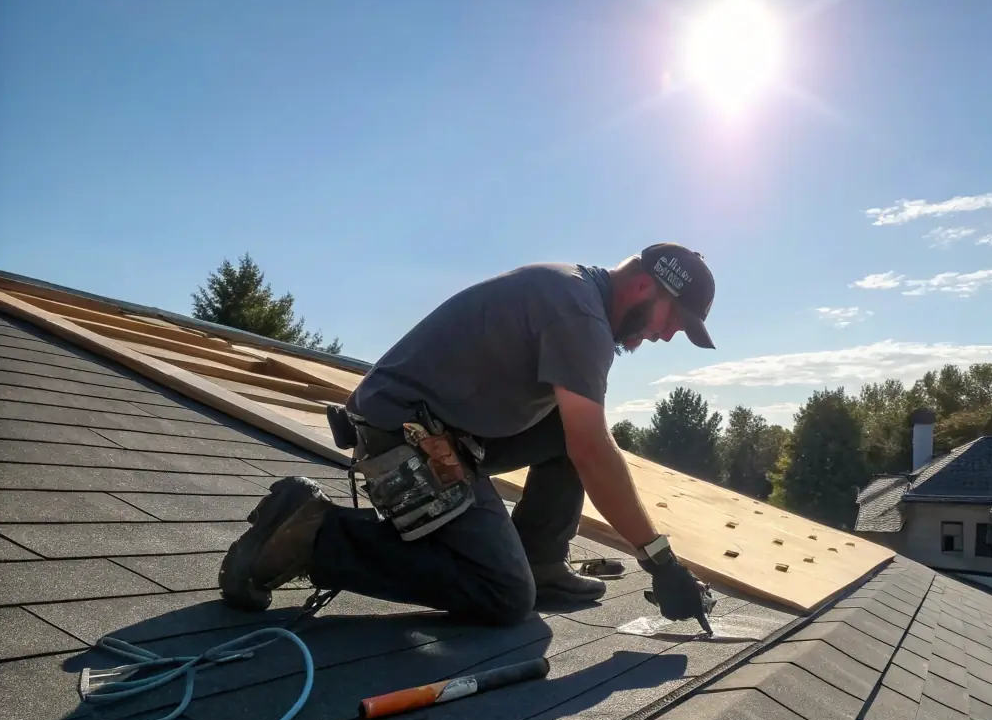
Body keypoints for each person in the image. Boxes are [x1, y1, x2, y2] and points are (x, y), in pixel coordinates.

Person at [218, 243, 716, 631]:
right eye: (673, 319)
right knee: (502, 595)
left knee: (574, 431)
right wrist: (659, 560)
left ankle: (540, 559)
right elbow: (591, 451)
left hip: (448, 425)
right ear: (645, 287)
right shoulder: (579, 314)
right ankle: (311, 534)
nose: (667, 335)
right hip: (404, 433)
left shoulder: (576, 291)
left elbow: (584, 438)